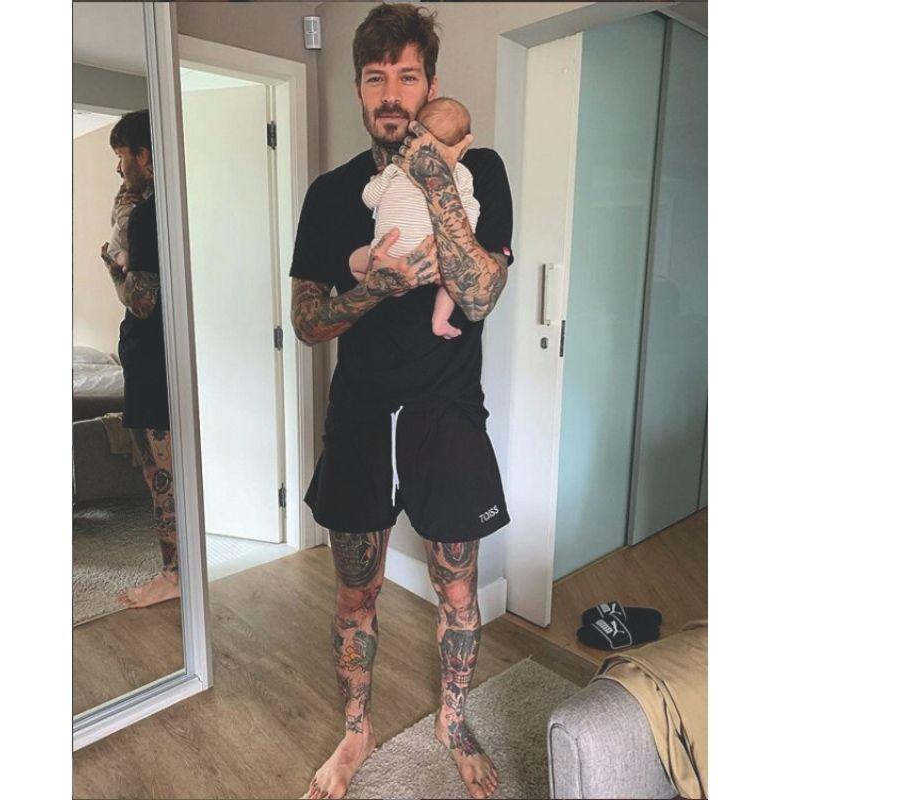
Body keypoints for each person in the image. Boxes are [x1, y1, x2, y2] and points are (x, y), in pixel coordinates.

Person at [290, 6, 513, 799]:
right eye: (375, 77)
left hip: (446, 414)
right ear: (358, 88)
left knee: (457, 590)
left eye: (407, 76)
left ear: (430, 86)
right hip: (359, 415)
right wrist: (372, 289)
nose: (391, 93)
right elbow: (307, 323)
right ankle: (358, 729)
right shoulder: (330, 195)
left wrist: (433, 174)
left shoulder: (477, 169)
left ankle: (453, 721)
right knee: (357, 592)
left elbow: (479, 294)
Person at [99, 109, 181, 610]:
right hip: (153, 358)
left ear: (145, 156)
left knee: (161, 472)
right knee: (159, 471)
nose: (118, 167)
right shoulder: (161, 207)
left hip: (154, 361)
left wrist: (113, 270)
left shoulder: (150, 217)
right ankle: (179, 568)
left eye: (122, 156)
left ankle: (174, 575)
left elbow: (144, 300)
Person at [349, 97, 479, 340]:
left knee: (355, 261)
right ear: (462, 148)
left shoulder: (397, 167)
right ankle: (440, 321)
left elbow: (369, 199)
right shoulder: (461, 174)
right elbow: (469, 213)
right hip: (434, 259)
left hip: (387, 255)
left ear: (412, 137)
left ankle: (391, 289)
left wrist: (378, 181)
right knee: (451, 285)